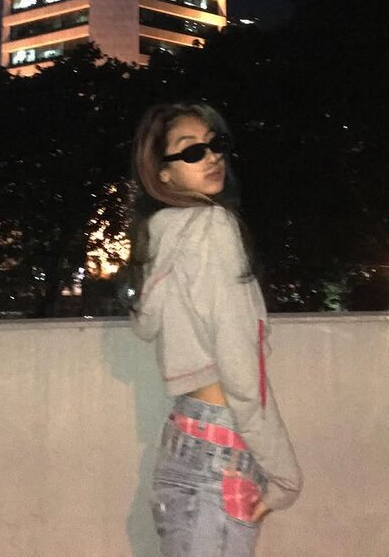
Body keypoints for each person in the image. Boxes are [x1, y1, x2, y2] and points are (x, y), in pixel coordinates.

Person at [129, 102, 302, 557]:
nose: (211, 157)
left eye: (215, 144)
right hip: (219, 450)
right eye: (191, 151)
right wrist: (285, 475)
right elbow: (240, 367)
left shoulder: (164, 238)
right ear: (162, 173)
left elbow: (145, 324)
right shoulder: (213, 227)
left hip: (184, 437)